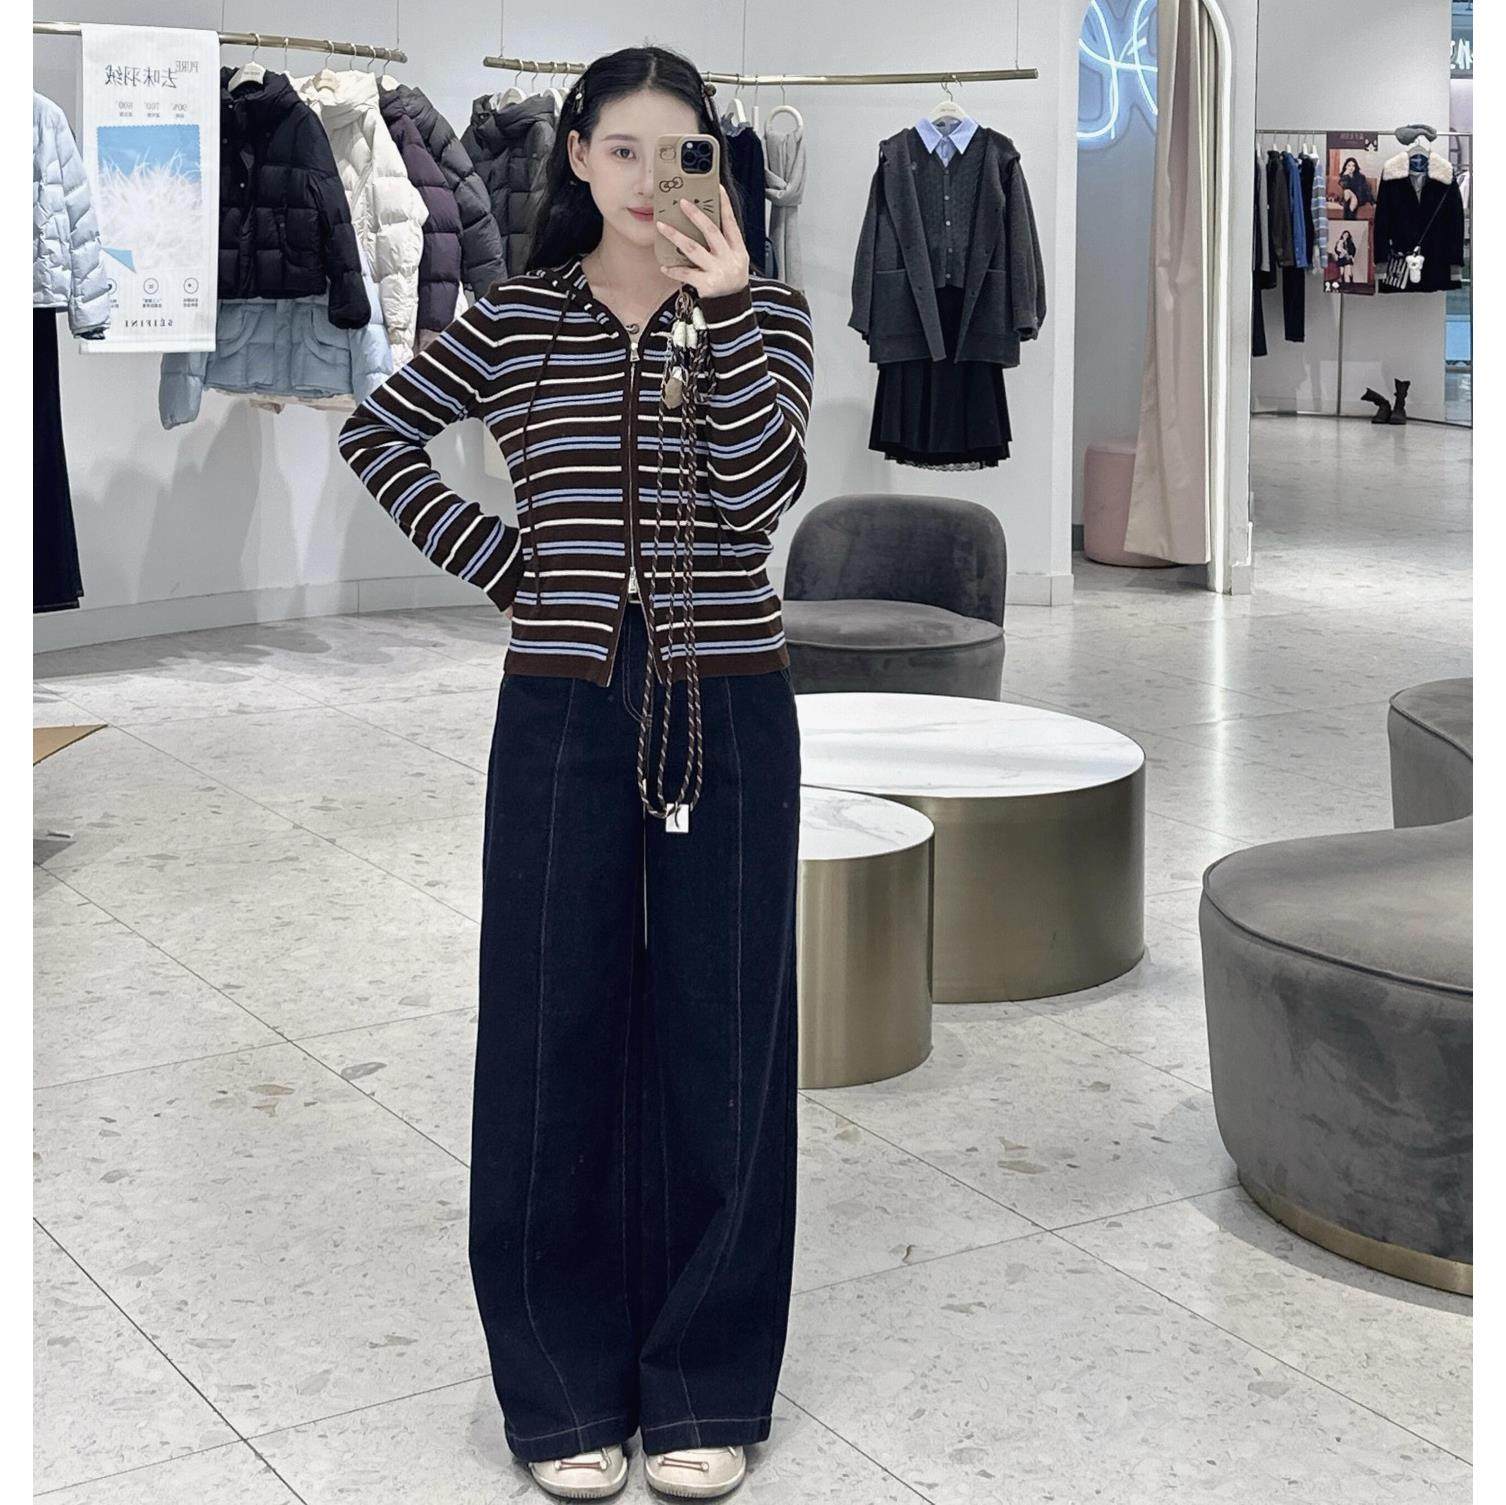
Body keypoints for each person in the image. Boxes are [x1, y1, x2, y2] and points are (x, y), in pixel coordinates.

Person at [336, 44, 815, 1503]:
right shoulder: (518, 316)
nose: (651, 179)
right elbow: (378, 433)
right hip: (561, 702)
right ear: (577, 160)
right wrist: (510, 565)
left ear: (716, 162)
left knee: (726, 1037)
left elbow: (759, 497)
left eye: (682, 152)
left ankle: (704, 1382)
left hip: (729, 700)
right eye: (623, 151)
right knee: (550, 1027)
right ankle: (557, 1385)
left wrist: (729, 312)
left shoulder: (770, 314)